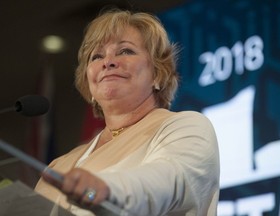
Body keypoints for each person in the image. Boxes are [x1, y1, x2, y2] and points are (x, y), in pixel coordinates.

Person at [35, 8, 220, 216]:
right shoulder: (59, 166)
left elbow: (164, 180)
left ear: (158, 74)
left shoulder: (186, 128)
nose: (108, 62)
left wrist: (106, 189)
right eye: (97, 56)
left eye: (125, 51)